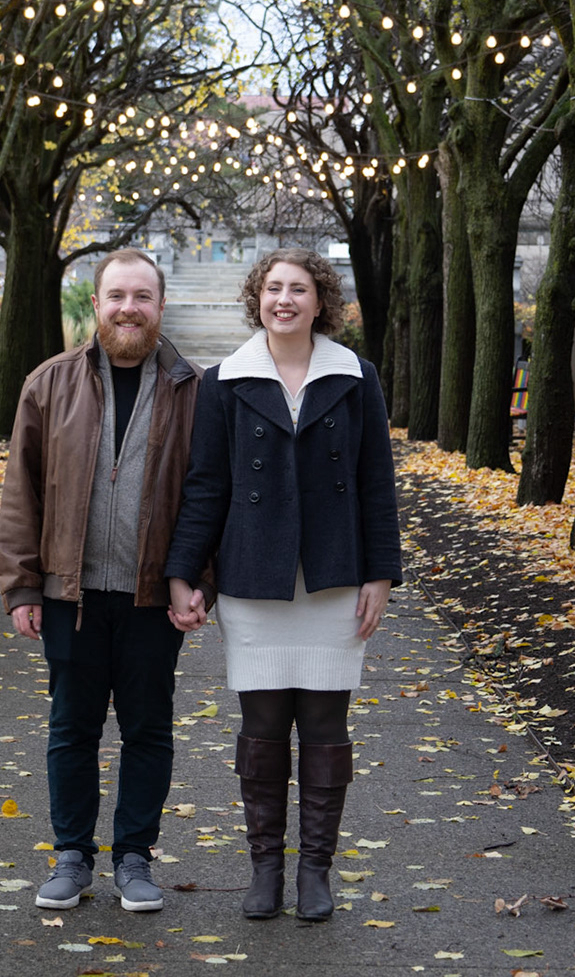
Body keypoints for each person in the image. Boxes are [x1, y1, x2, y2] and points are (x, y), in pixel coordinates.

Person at [164, 247, 400, 923]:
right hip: (253, 579)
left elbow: (376, 484)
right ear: (257, 299)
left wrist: (381, 573)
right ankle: (265, 869)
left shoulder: (356, 376)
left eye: (299, 289)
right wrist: (185, 572)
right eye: (274, 289)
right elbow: (206, 485)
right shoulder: (225, 381)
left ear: (320, 300)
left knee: (326, 725)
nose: (285, 300)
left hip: (334, 578)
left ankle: (316, 873)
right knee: (263, 724)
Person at [0, 247, 210, 914]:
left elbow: (209, 495)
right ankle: (71, 857)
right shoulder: (49, 383)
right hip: (71, 598)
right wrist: (22, 587)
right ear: (97, 304)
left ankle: (135, 859)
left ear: (160, 305)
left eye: (141, 296)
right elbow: (20, 493)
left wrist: (195, 578)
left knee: (148, 730)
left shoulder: (194, 390)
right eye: (117, 295)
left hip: (152, 598)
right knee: (72, 727)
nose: (128, 308)